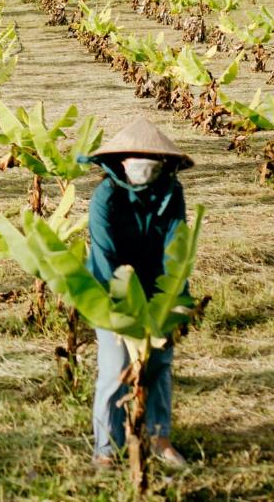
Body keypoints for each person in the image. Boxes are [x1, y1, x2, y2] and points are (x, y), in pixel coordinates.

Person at [82, 117, 193, 468]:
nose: (142, 164)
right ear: (120, 161)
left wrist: (175, 300)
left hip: (158, 284)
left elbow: (176, 248)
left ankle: (161, 439)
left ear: (164, 163)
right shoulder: (106, 197)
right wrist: (123, 309)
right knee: (116, 367)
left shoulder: (172, 193)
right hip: (111, 290)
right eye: (134, 157)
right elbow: (104, 254)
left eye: (150, 159)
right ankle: (106, 449)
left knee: (159, 363)